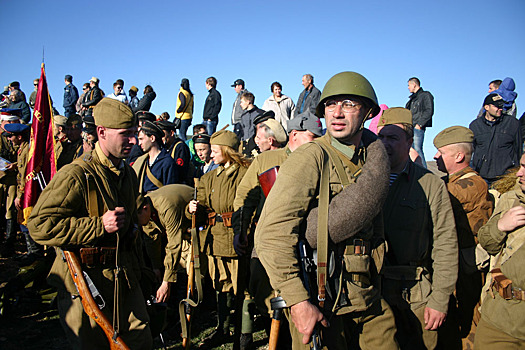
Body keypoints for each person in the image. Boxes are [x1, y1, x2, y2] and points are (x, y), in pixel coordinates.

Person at [255, 71, 399, 350]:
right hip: (320, 297)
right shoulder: (311, 157)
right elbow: (270, 234)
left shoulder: (370, 158)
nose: (337, 113)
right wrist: (298, 302)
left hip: (364, 293)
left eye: (348, 104)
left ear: (368, 111)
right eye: (331, 105)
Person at [27, 98, 152, 349]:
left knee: (139, 342)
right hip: (86, 284)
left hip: (123, 278)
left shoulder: (127, 173)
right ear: (102, 132)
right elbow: (39, 225)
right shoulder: (76, 174)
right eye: (125, 134)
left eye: (134, 134)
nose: (133, 141)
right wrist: (97, 226)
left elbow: (129, 231)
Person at [232, 111, 322, 348]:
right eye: (313, 137)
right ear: (294, 135)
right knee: (264, 296)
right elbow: (244, 198)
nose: (318, 143)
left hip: (307, 245)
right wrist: (239, 231)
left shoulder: (320, 159)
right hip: (270, 243)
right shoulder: (265, 160)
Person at [376, 107, 458, 349]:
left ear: (410, 142)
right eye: (381, 137)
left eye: (393, 138)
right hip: (371, 292)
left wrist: (440, 299)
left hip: (414, 295)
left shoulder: (430, 184)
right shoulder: (362, 179)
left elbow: (445, 243)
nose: (385, 144)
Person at [187, 130, 250, 347]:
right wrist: (192, 208)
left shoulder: (245, 173)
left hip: (236, 237)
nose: (211, 155)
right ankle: (223, 329)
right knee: (220, 286)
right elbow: (202, 206)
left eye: (215, 150)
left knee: (242, 287)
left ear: (227, 150)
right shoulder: (208, 177)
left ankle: (244, 335)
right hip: (214, 239)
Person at [432, 126, 494, 348]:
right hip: (460, 263)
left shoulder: (467, 185)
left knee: (464, 323)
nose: (435, 156)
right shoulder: (456, 182)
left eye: (441, 152)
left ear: (459, 156)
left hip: (465, 266)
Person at [474, 153, 525, 349]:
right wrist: (501, 226)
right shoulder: (511, 199)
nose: (519, 173)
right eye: (520, 166)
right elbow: (488, 243)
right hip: (502, 319)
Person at [136, 185, 194, 303]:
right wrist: (156, 267)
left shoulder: (167, 206)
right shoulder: (146, 207)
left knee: (187, 272)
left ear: (145, 208)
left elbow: (174, 245)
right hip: (182, 231)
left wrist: (166, 281)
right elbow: (151, 240)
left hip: (196, 227)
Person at [5, 123, 44, 265]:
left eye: (11, 136)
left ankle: (35, 254)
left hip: (26, 192)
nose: (9, 139)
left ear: (19, 137)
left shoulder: (28, 149)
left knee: (28, 221)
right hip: (22, 191)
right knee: (23, 221)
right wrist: (15, 164)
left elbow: (26, 174)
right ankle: (30, 251)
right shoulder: (22, 148)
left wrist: (20, 195)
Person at [469, 93, 522, 186]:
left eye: (501, 106)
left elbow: (518, 150)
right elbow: (471, 150)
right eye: (497, 106)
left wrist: (516, 170)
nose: (500, 108)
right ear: (486, 107)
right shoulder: (475, 126)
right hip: (481, 176)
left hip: (505, 177)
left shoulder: (513, 123)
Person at [132, 120, 180, 194]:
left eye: (141, 139)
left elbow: (171, 193)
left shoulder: (167, 162)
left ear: (152, 138)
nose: (139, 143)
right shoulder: (142, 161)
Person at [405, 77, 434, 168]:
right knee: (410, 150)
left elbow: (429, 110)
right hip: (410, 127)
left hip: (417, 128)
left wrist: (420, 125)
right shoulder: (411, 101)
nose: (408, 87)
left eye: (409, 85)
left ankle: (424, 172)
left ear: (414, 84)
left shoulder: (425, 95)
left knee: (417, 149)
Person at [156, 120, 191, 185]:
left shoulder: (180, 147)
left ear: (171, 133)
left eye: (163, 134)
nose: (160, 137)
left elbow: (180, 171)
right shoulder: (163, 147)